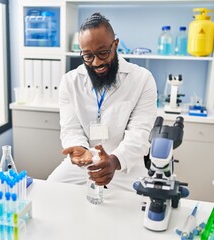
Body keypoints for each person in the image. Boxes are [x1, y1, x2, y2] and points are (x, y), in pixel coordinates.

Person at [47, 12, 157, 191]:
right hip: (84, 162)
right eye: (88, 56)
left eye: (103, 53)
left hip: (124, 165)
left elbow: (140, 132)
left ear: (115, 45)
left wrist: (115, 160)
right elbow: (71, 128)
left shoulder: (142, 79)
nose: (96, 62)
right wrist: (78, 148)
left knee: (139, 208)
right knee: (51, 191)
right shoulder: (70, 81)